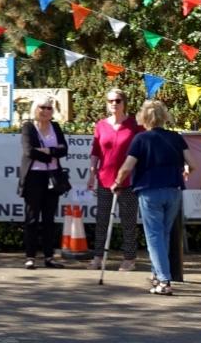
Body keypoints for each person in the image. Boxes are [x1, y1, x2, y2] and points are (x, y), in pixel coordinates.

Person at [112, 100, 198, 296]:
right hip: (173, 189)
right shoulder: (176, 137)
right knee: (163, 235)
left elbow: (127, 167)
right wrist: (186, 172)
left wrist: (117, 182)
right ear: (163, 116)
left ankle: (164, 280)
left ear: (144, 117)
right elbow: (192, 164)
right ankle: (158, 274)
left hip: (150, 190)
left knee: (154, 236)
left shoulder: (141, 139)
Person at [86, 88, 143, 271]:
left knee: (128, 221)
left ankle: (129, 259)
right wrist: (91, 175)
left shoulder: (135, 125)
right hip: (105, 180)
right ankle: (98, 257)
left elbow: (142, 150)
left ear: (124, 103)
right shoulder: (101, 125)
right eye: (110, 100)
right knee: (102, 220)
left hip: (128, 180)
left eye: (118, 100)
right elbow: (95, 152)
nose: (114, 104)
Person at [17, 95, 69, 270]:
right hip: (33, 177)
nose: (46, 111)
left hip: (52, 176)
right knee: (32, 218)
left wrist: (47, 150)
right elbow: (29, 151)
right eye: (42, 107)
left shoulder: (55, 127)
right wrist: (51, 153)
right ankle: (30, 257)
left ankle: (49, 257)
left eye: (49, 108)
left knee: (49, 219)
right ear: (35, 109)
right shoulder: (28, 127)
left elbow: (63, 150)